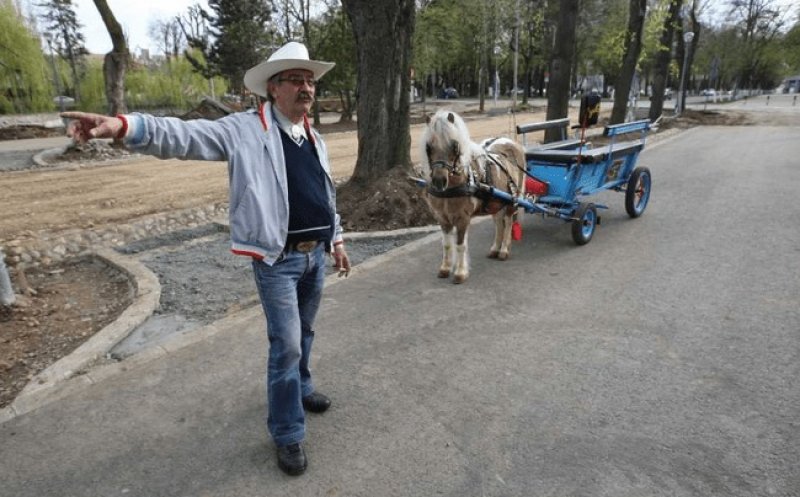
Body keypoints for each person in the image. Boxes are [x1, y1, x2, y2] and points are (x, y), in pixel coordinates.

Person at [62, 41, 351, 477]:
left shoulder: (313, 136)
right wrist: (123, 126)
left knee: (305, 333)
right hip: (277, 261)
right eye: (296, 79)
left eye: (309, 80)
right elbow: (183, 135)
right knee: (286, 345)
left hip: (315, 258)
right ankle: (288, 432)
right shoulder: (244, 130)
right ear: (273, 89)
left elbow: (325, 196)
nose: (306, 87)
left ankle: (302, 387)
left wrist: (338, 239)